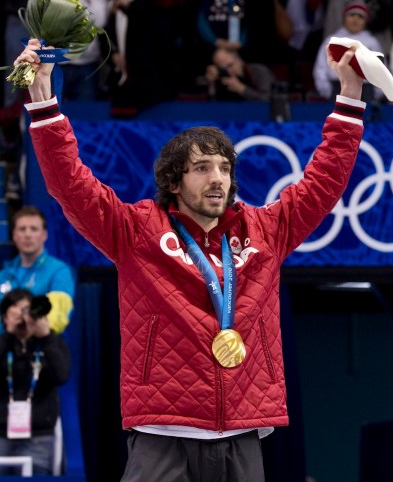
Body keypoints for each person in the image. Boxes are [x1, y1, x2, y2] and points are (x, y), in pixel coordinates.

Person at [14, 34, 366, 480]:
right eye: (202, 168)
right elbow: (70, 185)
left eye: (224, 168)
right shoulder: (136, 231)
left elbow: (325, 181)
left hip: (241, 430)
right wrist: (43, 98)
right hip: (163, 431)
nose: (217, 178)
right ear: (175, 183)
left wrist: (350, 94)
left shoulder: (266, 231)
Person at [0, 289, 71, 475]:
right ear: (4, 318)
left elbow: (61, 376)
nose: (23, 318)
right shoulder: (2, 344)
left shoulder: (51, 343)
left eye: (26, 311)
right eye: (15, 311)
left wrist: (45, 337)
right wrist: (8, 336)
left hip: (38, 434)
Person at [31, 0, 109, 101]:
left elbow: (99, 21)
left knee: (85, 115)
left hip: (87, 65)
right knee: (49, 115)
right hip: (51, 64)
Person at [0, 206, 75, 335]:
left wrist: (21, 322)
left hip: (41, 350)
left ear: (44, 235)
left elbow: (57, 318)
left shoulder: (59, 271)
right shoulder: (4, 274)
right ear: (14, 235)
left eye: (34, 229)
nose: (27, 235)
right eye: (22, 229)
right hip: (6, 350)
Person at [313, 0, 383, 102]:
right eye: (352, 15)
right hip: (338, 88)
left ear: (366, 21)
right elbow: (321, 68)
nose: (355, 19)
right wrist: (327, 91)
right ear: (344, 17)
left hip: (366, 90)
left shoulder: (372, 42)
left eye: (360, 17)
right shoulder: (332, 40)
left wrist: (375, 93)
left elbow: (381, 70)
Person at [200, 46, 276, 102]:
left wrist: (242, 89)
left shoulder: (259, 71)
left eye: (230, 65)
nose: (228, 71)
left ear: (239, 60)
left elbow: (269, 99)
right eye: (223, 68)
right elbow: (213, 108)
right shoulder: (221, 77)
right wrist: (211, 84)